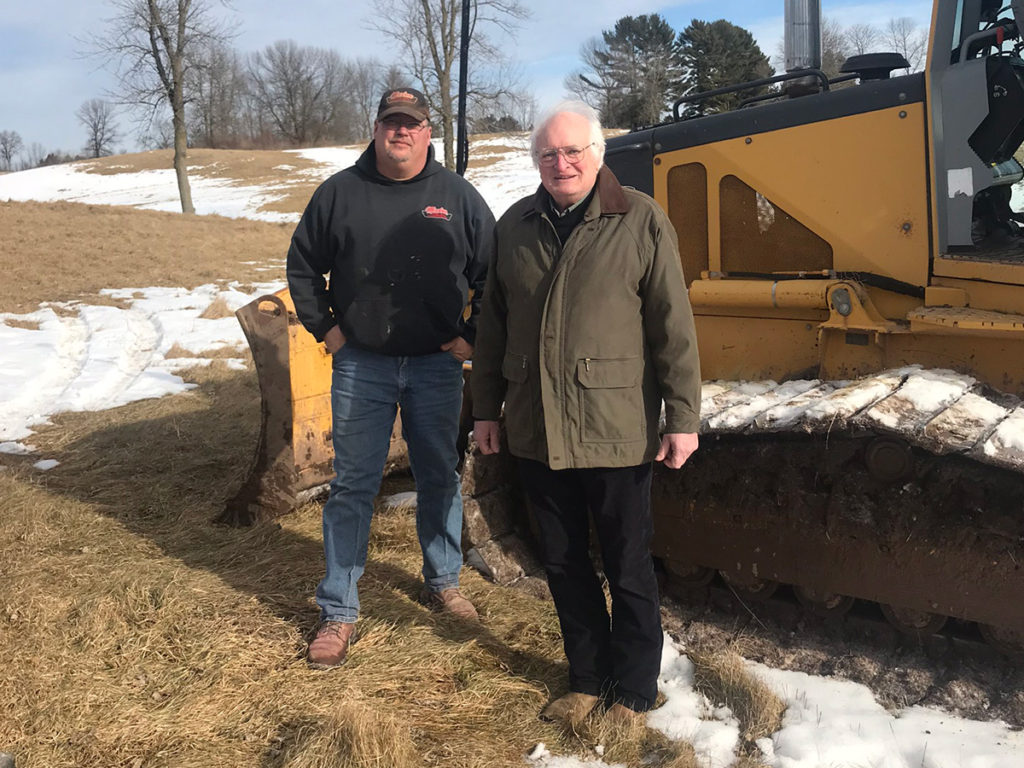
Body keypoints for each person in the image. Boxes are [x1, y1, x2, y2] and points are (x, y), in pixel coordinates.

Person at [470, 101, 701, 725]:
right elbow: (492, 328)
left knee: (627, 564)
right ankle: (585, 678)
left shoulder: (641, 220)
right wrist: (485, 411)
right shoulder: (515, 226)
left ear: (599, 154)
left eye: (572, 151)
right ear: (536, 162)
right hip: (536, 427)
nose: (560, 163)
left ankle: (632, 689)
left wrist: (682, 416)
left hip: (615, 428)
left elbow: (672, 328)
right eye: (548, 154)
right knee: (565, 562)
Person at [287, 87, 495, 669]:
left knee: (438, 474)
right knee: (354, 485)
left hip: (435, 364)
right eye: (390, 122)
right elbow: (302, 266)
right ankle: (338, 610)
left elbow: (493, 273)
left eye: (412, 123)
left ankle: (443, 581)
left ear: (428, 132)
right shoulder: (340, 193)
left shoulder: (456, 195)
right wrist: (328, 330)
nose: (400, 132)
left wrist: (471, 336)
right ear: (375, 128)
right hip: (363, 365)